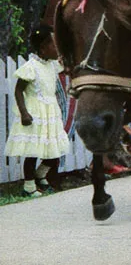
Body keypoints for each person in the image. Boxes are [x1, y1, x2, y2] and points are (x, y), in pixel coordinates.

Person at [4, 25, 70, 197]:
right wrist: (24, 113)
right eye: (54, 46)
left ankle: (40, 175)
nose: (57, 49)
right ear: (43, 48)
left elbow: (67, 68)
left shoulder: (53, 65)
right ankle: (29, 186)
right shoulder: (31, 66)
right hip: (35, 112)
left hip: (51, 112)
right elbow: (18, 91)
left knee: (53, 151)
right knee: (33, 151)